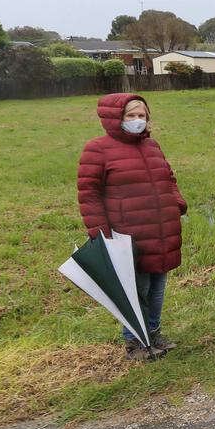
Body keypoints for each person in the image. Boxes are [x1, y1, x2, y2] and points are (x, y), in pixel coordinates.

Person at [77, 94, 186, 360]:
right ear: (116, 118)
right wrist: (100, 233)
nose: (138, 121)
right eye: (131, 116)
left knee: (158, 285)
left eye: (142, 116)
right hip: (127, 235)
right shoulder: (97, 149)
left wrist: (177, 201)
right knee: (138, 288)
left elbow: (169, 178)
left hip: (160, 229)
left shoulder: (152, 146)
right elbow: (89, 194)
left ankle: (153, 332)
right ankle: (135, 340)